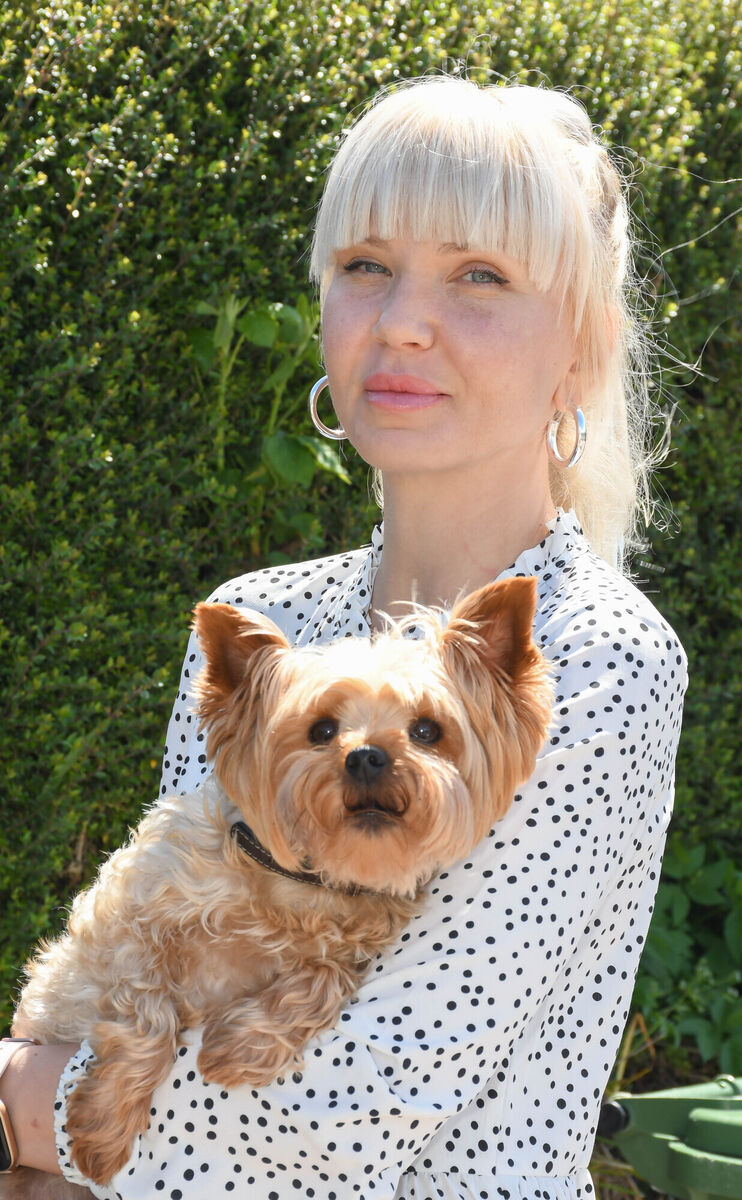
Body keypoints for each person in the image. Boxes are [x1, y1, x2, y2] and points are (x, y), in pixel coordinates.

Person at [1, 75, 687, 1200]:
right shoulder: (265, 618)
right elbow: (152, 966)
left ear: (581, 348)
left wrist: (24, 1106)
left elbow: (336, 1132)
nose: (402, 320)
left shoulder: (595, 655)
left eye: (480, 274)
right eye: (365, 265)